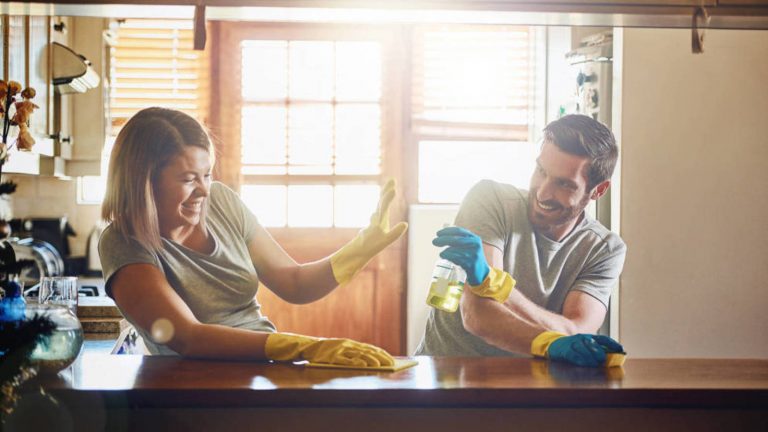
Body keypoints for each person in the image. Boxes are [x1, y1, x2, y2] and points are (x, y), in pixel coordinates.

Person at [99, 107, 407, 367]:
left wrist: (360, 249)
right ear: (144, 183)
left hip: (264, 369)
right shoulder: (124, 241)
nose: (204, 190)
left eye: (206, 175)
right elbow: (187, 336)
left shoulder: (221, 201)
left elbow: (294, 283)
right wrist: (303, 347)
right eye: (188, 179)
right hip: (193, 389)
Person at [416, 114, 626, 367]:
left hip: (535, 386)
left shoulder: (603, 249)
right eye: (541, 171)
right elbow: (478, 316)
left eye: (564, 184)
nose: (543, 192)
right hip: (447, 379)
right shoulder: (491, 201)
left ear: (598, 190)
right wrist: (551, 341)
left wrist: (493, 283)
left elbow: (575, 331)